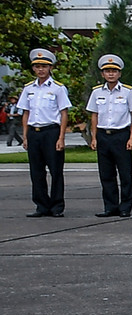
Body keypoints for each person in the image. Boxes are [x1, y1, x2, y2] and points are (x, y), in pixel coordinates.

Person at [85, 54, 132, 218]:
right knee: (106, 174)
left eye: (114, 71)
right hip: (103, 135)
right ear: (102, 74)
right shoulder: (96, 92)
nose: (111, 74)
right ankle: (110, 206)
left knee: (125, 174)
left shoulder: (128, 91)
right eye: (107, 71)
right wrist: (94, 137)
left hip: (121, 135)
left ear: (119, 73)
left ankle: (125, 207)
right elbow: (94, 115)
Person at [19, 47, 71, 218]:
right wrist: (25, 136)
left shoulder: (58, 88)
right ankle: (41, 205)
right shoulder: (29, 88)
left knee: (55, 170)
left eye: (44, 66)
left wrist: (61, 137)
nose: (41, 70)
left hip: (51, 131)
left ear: (50, 68)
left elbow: (64, 113)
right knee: (36, 171)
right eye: (37, 66)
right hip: (34, 132)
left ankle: (56, 206)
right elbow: (26, 113)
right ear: (33, 68)